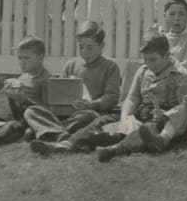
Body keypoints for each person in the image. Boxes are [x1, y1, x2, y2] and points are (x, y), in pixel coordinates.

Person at [27, 21, 123, 156]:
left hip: (89, 114)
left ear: (101, 46)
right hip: (65, 112)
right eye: (81, 47)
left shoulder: (110, 67)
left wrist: (92, 104)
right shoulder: (71, 65)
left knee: (88, 116)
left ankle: (48, 131)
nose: (84, 52)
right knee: (31, 111)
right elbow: (59, 90)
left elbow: (112, 96)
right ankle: (59, 134)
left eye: (89, 47)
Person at [97, 35, 187, 162]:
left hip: (161, 120)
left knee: (147, 129)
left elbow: (183, 112)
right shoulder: (143, 71)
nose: (148, 64)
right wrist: (126, 119)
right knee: (103, 121)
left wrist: (163, 115)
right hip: (139, 115)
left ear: (167, 55)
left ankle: (116, 149)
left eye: (153, 59)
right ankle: (72, 142)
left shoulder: (182, 76)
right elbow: (133, 97)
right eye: (145, 59)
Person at [154, 0, 187, 76]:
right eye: (172, 14)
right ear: (165, 16)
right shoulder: (160, 39)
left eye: (181, 14)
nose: (176, 18)